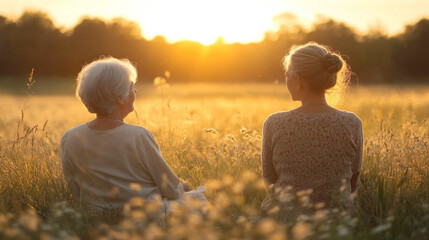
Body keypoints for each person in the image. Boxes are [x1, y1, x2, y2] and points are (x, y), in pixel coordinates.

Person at [60, 57, 204, 217]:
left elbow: (75, 189)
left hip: (97, 219)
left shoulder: (70, 137)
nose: (135, 91)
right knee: (208, 195)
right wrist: (184, 186)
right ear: (119, 97)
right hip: (146, 218)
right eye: (131, 87)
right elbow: (171, 190)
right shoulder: (138, 135)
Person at [261, 42, 363, 208]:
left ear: (298, 80)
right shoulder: (352, 123)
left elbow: (269, 180)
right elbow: (353, 181)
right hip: (340, 225)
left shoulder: (275, 123)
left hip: (284, 222)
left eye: (287, 75)